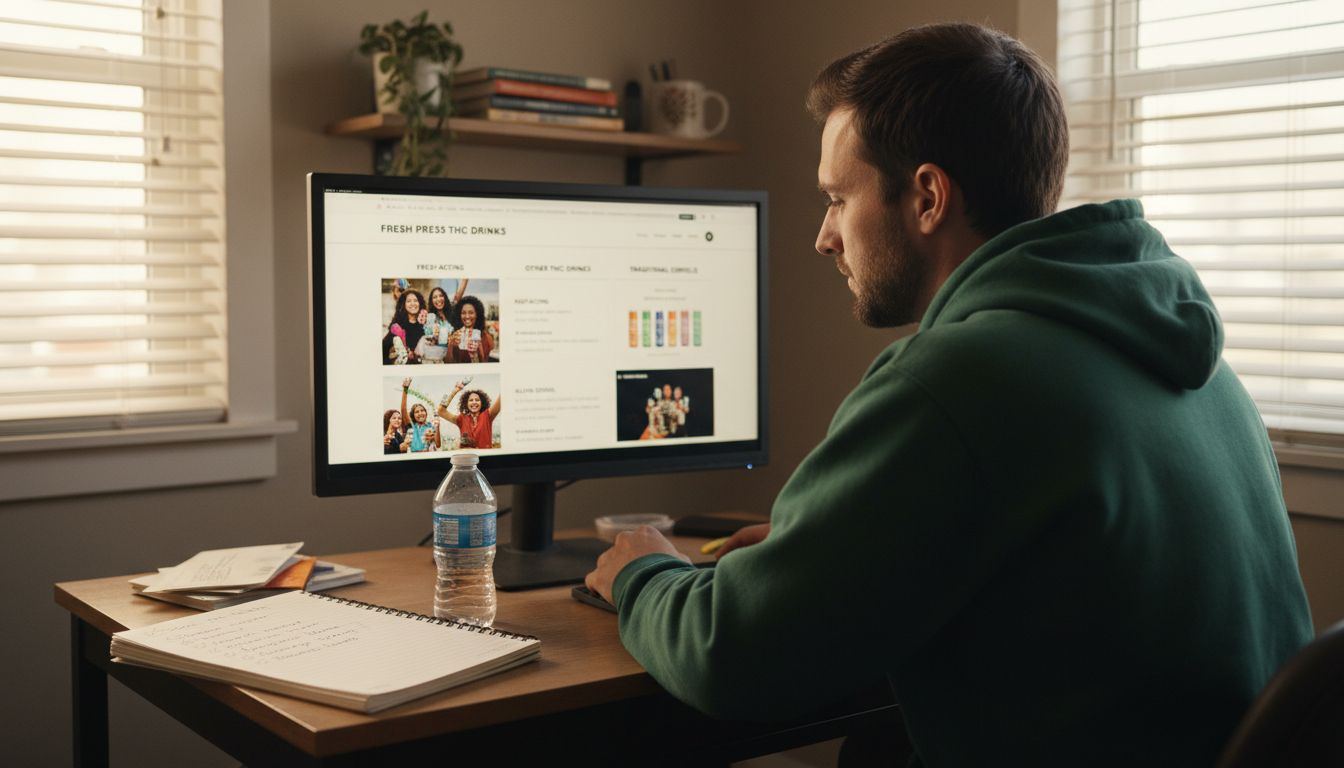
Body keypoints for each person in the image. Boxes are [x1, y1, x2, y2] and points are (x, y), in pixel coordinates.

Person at [585, 23, 1313, 767]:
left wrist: (642, 572)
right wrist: (834, 550)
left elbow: (730, 657)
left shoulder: (957, 379)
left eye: (838, 198)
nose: (823, 237)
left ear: (928, 196)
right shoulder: (1191, 358)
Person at [437, 379, 501, 450]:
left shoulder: (488, 415)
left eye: (477, 400)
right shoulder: (461, 419)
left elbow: (502, 397)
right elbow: (440, 411)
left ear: (481, 403)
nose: (474, 402)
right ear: (466, 404)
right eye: (471, 400)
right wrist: (455, 391)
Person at [418, 279, 469, 363]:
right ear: (431, 301)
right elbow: (429, 339)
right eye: (435, 297)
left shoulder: (452, 309)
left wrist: (465, 279)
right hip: (439, 358)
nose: (438, 299)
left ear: (444, 297)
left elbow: (459, 294)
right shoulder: (430, 318)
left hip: (455, 354)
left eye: (441, 295)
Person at [382, 289, 428, 365]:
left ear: (420, 303)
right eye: (409, 301)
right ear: (403, 304)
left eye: (415, 300)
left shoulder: (425, 325)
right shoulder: (398, 327)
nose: (413, 303)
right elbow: (383, 349)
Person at [446, 295, 495, 364]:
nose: (467, 316)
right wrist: (451, 344)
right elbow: (448, 363)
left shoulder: (486, 338)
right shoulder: (456, 336)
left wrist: (477, 350)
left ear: (477, 315)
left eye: (471, 313)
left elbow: (486, 365)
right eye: (463, 313)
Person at [398, 378, 438, 452]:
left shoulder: (431, 425)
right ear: (413, 416)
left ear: (426, 413)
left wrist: (433, 437)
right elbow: (403, 410)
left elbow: (438, 444)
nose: (420, 413)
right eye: (417, 412)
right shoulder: (412, 426)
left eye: (422, 410)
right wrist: (405, 389)